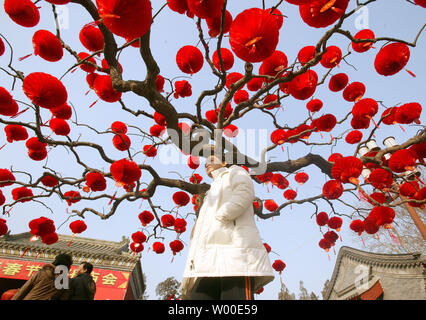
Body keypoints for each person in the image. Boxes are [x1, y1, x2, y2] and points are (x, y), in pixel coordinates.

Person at [180, 154, 275, 300]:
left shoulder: (235, 171)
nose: (207, 164)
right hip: (208, 261)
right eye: (205, 162)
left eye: (212, 160)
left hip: (235, 256)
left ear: (224, 162)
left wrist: (221, 216)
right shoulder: (210, 191)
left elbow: (244, 192)